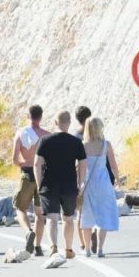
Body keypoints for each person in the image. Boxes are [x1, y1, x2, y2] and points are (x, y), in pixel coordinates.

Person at [34, 111, 87, 260]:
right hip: (69, 184)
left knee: (51, 217)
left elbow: (37, 163)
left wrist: (39, 183)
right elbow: (83, 164)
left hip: (49, 183)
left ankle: (53, 247)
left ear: (55, 122)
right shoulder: (76, 142)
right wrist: (81, 183)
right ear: (69, 122)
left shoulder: (45, 140)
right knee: (68, 218)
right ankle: (68, 249)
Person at [11, 105, 51, 256]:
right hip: (43, 175)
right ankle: (38, 247)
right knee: (40, 213)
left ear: (28, 116)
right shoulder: (47, 135)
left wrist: (24, 162)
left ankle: (28, 232)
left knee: (21, 208)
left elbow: (15, 159)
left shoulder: (21, 134)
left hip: (27, 173)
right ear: (41, 117)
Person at [79, 118, 120, 258]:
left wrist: (79, 183)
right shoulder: (106, 145)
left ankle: (87, 249)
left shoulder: (83, 145)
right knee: (104, 214)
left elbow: (80, 167)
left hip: (88, 183)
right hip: (103, 182)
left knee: (87, 215)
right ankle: (100, 249)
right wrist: (118, 179)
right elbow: (113, 165)